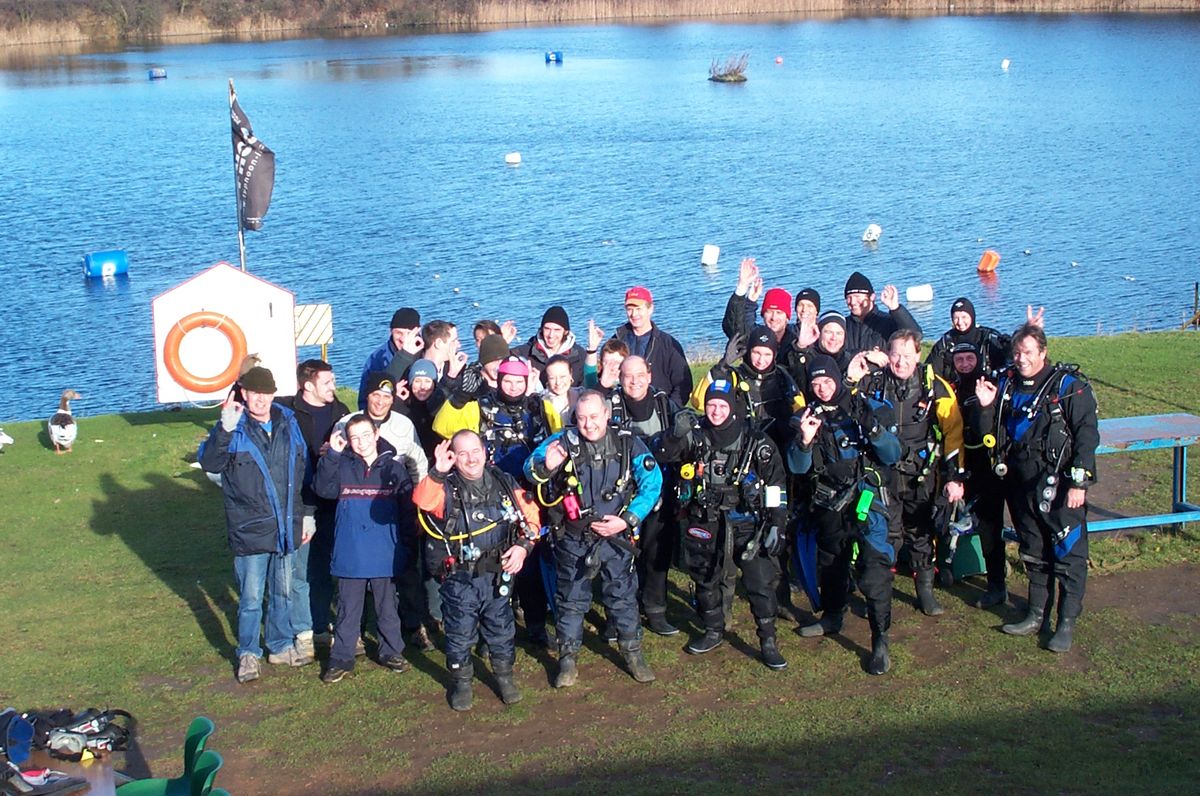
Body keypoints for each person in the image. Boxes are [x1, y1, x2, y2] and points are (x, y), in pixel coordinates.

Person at [973, 322, 1099, 653]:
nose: (1021, 358)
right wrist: (985, 407)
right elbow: (990, 434)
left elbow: (1087, 437)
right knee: (1033, 552)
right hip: (1020, 483)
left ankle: (1066, 622)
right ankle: (1035, 614)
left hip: (1059, 485)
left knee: (1068, 553)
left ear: (1043, 352)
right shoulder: (1007, 384)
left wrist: (1079, 482)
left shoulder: (1070, 388)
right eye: (1017, 353)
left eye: (1028, 352)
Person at [525, 391, 663, 687]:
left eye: (594, 417)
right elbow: (530, 468)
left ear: (607, 414)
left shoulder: (628, 442)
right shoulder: (562, 442)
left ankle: (633, 654)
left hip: (616, 535)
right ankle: (568, 660)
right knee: (571, 601)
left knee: (623, 597)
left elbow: (653, 482)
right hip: (573, 538)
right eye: (582, 417)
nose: (588, 424)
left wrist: (627, 520)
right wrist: (545, 467)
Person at [662, 380, 790, 669]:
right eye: (711, 405)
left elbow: (775, 483)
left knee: (759, 583)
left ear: (732, 407)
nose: (716, 411)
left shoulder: (755, 441)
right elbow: (664, 456)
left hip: (747, 520)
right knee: (706, 579)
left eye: (722, 405)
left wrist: (777, 524)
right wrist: (673, 436)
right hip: (704, 517)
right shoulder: (694, 436)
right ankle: (713, 630)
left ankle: (767, 640)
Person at [788, 355, 902, 675]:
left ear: (839, 379)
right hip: (828, 505)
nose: (822, 388)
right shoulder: (805, 418)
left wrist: (874, 429)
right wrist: (805, 441)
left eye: (827, 381)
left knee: (873, 569)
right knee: (831, 563)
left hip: (867, 502)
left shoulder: (866, 408)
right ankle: (833, 617)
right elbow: (797, 467)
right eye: (815, 383)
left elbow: (893, 454)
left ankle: (880, 640)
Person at [199, 366, 314, 683]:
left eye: (266, 392)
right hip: (250, 529)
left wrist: (307, 515)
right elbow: (210, 463)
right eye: (254, 393)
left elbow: (302, 469)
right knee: (250, 599)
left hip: (286, 525)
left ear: (273, 394)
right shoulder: (232, 426)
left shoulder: (287, 421)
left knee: (283, 593)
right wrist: (223, 428)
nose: (261, 399)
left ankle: (279, 645)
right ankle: (248, 653)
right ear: (244, 394)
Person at [414, 431, 541, 710]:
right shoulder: (445, 487)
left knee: (502, 629)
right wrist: (437, 471)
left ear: (485, 451)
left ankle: (504, 676)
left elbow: (532, 519)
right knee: (460, 633)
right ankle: (461, 682)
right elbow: (422, 501)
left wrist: (523, 547)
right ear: (453, 457)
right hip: (460, 579)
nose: (471, 459)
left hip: (498, 574)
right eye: (462, 453)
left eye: (475, 451)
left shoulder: (504, 482)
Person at [848, 329, 965, 617]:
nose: (901, 362)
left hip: (920, 475)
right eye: (896, 355)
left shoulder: (935, 387)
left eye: (907, 355)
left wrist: (954, 478)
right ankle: (879, 594)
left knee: (922, 532)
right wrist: (851, 378)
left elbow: (953, 434)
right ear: (887, 355)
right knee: (884, 535)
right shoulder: (872, 383)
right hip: (882, 476)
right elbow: (844, 408)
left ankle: (925, 591)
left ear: (918, 355)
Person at [311, 415, 412, 683]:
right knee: (348, 607)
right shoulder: (341, 465)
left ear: (376, 434)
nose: (362, 442)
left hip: (385, 551)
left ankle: (391, 651)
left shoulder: (394, 468)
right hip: (350, 549)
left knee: (387, 606)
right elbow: (323, 489)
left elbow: (406, 510)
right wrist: (332, 453)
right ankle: (341, 658)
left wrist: (405, 546)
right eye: (354, 438)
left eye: (366, 435)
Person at [350, 371, 433, 650]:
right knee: (359, 572)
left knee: (407, 568)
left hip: (399, 507)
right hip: (362, 510)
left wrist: (420, 503)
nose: (381, 402)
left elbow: (418, 462)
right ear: (367, 396)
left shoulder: (404, 425)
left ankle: (413, 626)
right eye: (376, 395)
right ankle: (356, 630)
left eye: (387, 396)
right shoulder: (348, 424)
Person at [274, 359, 349, 655]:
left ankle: (320, 626)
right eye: (327, 382)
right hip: (301, 501)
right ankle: (302, 631)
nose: (333, 386)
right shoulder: (288, 413)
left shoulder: (339, 411)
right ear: (308, 385)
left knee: (325, 567)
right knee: (301, 570)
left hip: (332, 502)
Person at [609, 355, 682, 636]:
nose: (635, 381)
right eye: (628, 376)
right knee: (619, 558)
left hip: (659, 494)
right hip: (620, 495)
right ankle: (618, 615)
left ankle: (655, 610)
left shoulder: (665, 406)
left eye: (640, 375)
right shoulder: (609, 407)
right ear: (620, 378)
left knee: (656, 552)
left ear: (650, 375)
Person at [946, 341, 1009, 608]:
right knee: (952, 517)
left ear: (978, 359)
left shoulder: (989, 384)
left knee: (990, 525)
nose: (964, 364)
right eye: (959, 360)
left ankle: (997, 583)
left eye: (969, 359)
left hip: (988, 464)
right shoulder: (950, 387)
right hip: (960, 462)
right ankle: (946, 566)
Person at [612, 286, 693, 407]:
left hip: (660, 411)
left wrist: (668, 411)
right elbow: (605, 377)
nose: (634, 314)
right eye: (630, 309)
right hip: (625, 410)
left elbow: (683, 385)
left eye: (639, 309)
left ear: (650, 309)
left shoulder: (668, 344)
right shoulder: (616, 342)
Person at [925, 297, 1011, 382]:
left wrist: (1008, 348)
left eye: (964, 317)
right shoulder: (945, 342)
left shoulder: (987, 338)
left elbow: (1008, 365)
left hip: (986, 388)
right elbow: (930, 369)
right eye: (956, 318)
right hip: (954, 391)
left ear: (972, 316)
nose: (960, 322)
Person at [842, 271, 921, 356]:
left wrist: (895, 308)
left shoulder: (887, 322)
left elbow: (916, 334)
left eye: (857, 297)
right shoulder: (842, 326)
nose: (853, 302)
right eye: (849, 298)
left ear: (872, 297)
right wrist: (867, 354)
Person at [358, 308, 421, 410]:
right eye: (398, 333)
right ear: (390, 332)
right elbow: (364, 400)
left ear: (418, 332)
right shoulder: (377, 358)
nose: (403, 339)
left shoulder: (426, 352)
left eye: (409, 333)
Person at [511, 305, 586, 385]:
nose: (551, 335)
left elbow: (587, 384)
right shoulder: (522, 353)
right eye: (547, 329)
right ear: (541, 329)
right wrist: (504, 341)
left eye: (557, 330)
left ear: (566, 332)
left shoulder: (579, 354)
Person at [541, 354, 581, 426]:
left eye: (562, 376)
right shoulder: (542, 401)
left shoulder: (581, 394)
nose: (558, 382)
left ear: (570, 374)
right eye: (552, 378)